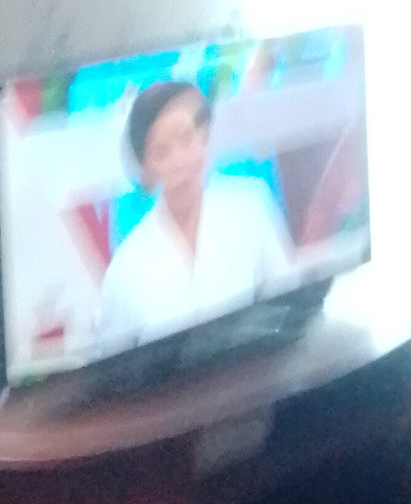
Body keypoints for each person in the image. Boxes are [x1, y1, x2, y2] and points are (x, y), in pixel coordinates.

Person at [96, 81, 296, 349]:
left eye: (186, 139)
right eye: (162, 152)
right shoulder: (125, 269)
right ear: (146, 168)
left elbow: (290, 307)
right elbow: (114, 362)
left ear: (203, 137)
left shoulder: (251, 207)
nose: (180, 161)